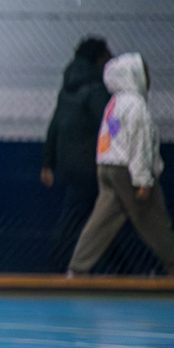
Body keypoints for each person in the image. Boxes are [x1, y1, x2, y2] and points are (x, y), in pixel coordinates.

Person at [67, 53, 174, 278]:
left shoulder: (114, 103)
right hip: (127, 170)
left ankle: (77, 268)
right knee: (154, 219)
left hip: (107, 165)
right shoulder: (136, 105)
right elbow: (138, 144)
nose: (148, 78)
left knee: (101, 221)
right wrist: (142, 180)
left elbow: (111, 135)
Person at [41, 37, 113, 271]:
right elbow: (109, 124)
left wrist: (48, 162)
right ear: (98, 58)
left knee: (101, 217)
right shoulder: (96, 89)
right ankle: (60, 266)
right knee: (90, 218)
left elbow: (55, 124)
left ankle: (121, 268)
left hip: (69, 162)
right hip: (90, 164)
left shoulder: (68, 88)